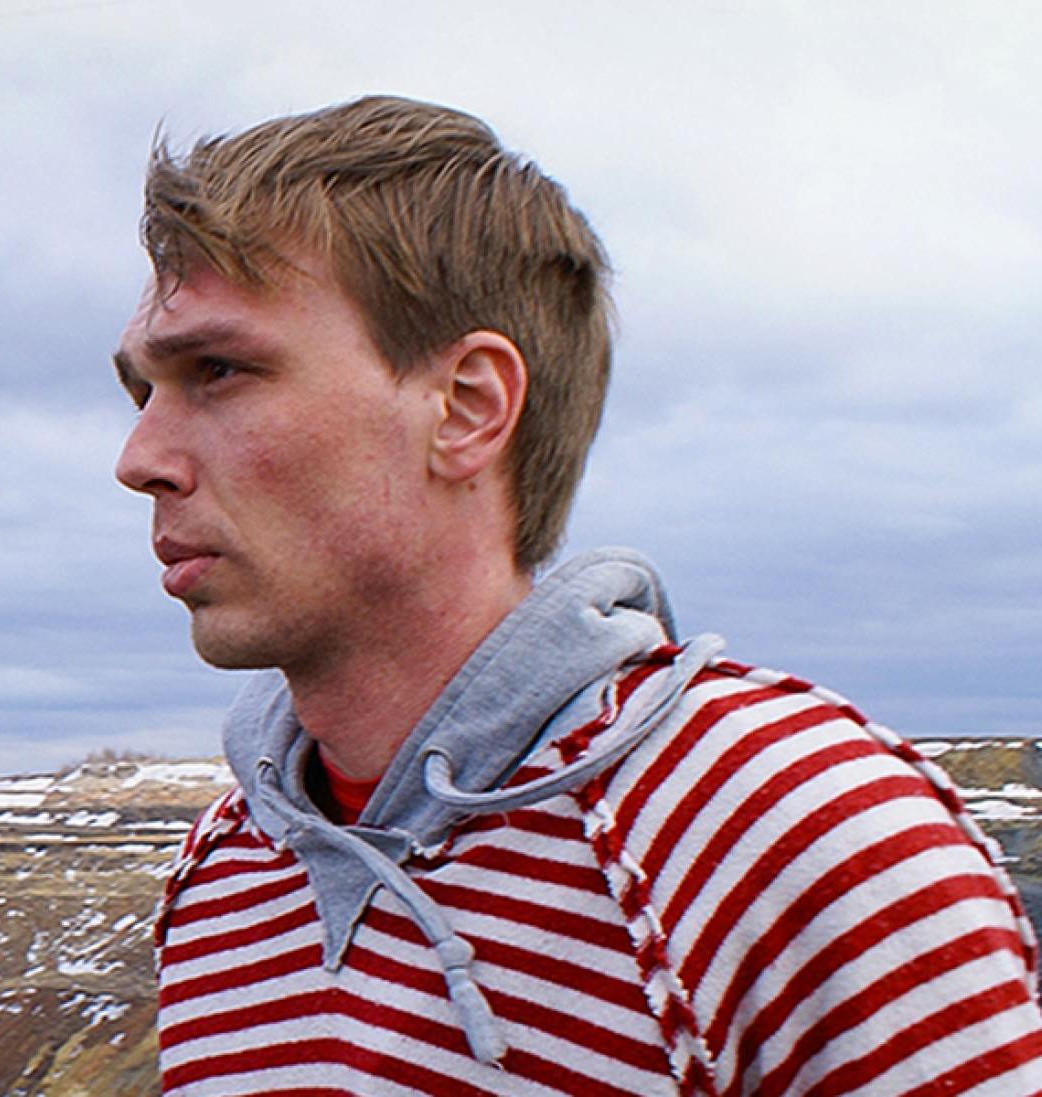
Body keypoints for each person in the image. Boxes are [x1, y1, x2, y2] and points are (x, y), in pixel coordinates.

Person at [113, 95, 1042, 1095]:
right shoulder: (222, 880)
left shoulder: (795, 830)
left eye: (218, 369)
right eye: (141, 391)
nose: (138, 458)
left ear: (466, 408)